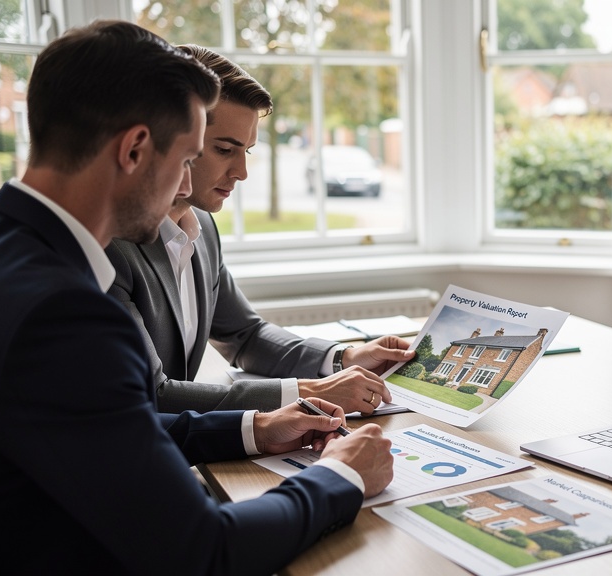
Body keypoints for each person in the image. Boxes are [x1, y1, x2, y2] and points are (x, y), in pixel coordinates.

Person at [0, 21, 392, 575]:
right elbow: (204, 551)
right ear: (135, 149)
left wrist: (256, 428)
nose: (186, 188)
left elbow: (99, 426)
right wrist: (341, 476)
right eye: (186, 160)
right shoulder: (66, 315)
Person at [105, 45, 413, 416]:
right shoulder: (111, 245)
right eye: (224, 149)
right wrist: (311, 391)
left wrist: (344, 357)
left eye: (247, 151)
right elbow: (151, 395)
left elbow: (245, 335)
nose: (242, 172)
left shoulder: (201, 225)